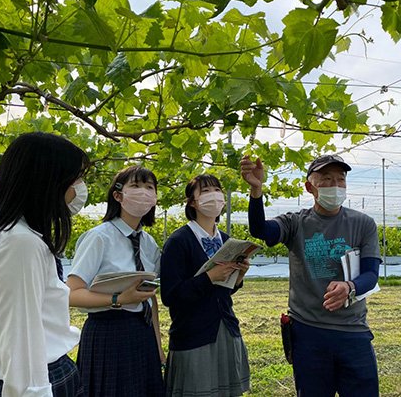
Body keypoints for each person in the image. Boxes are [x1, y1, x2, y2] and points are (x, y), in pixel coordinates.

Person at [241, 154, 381, 397]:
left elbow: (371, 274)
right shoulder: (296, 223)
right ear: (310, 187)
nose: (335, 186)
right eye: (326, 180)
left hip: (353, 331)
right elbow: (260, 229)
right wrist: (256, 191)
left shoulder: (363, 223)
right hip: (308, 332)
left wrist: (350, 286)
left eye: (340, 180)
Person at [0, 132, 89, 397]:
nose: (78, 189)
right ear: (47, 181)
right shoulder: (19, 244)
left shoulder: (12, 237)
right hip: (34, 379)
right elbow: (21, 341)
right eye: (74, 179)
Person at [67, 166, 165, 397]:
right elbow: (72, 293)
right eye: (135, 186)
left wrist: (158, 346)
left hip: (142, 332)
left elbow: (149, 299)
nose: (143, 192)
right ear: (118, 195)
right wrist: (119, 299)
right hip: (108, 332)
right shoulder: (99, 237)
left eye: (149, 187)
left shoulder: (149, 243)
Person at [161, 174, 250, 397]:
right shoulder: (178, 241)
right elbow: (170, 296)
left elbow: (224, 291)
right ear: (192, 202)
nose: (215, 196)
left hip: (226, 329)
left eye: (217, 190)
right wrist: (209, 277)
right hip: (194, 335)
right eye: (206, 191)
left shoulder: (226, 240)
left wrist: (238, 277)